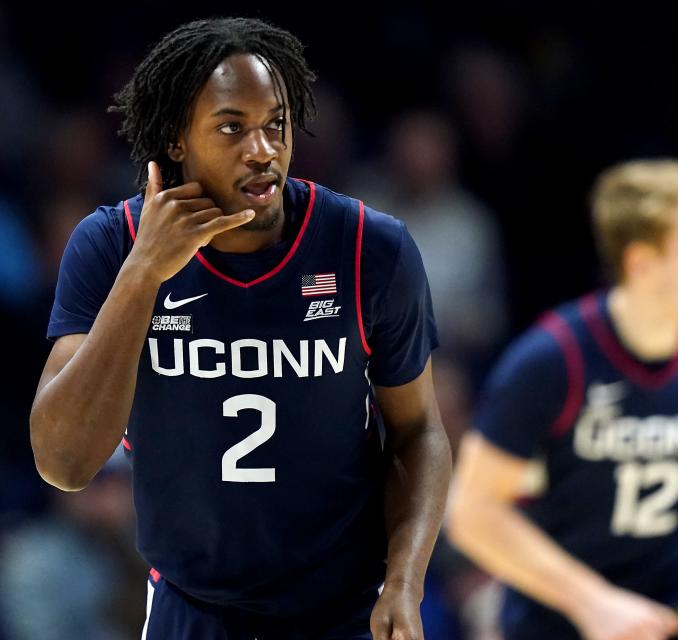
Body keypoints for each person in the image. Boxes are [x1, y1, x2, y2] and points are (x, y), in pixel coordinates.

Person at [30, 17, 451, 640]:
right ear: (176, 139)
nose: (264, 150)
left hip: (345, 608)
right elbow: (64, 463)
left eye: (275, 125)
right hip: (190, 605)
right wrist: (143, 276)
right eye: (232, 128)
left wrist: (405, 582)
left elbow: (418, 431)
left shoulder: (368, 247)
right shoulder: (111, 245)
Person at [447, 159, 678, 640]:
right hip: (565, 625)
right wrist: (592, 601)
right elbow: (473, 513)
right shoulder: (551, 360)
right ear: (642, 263)